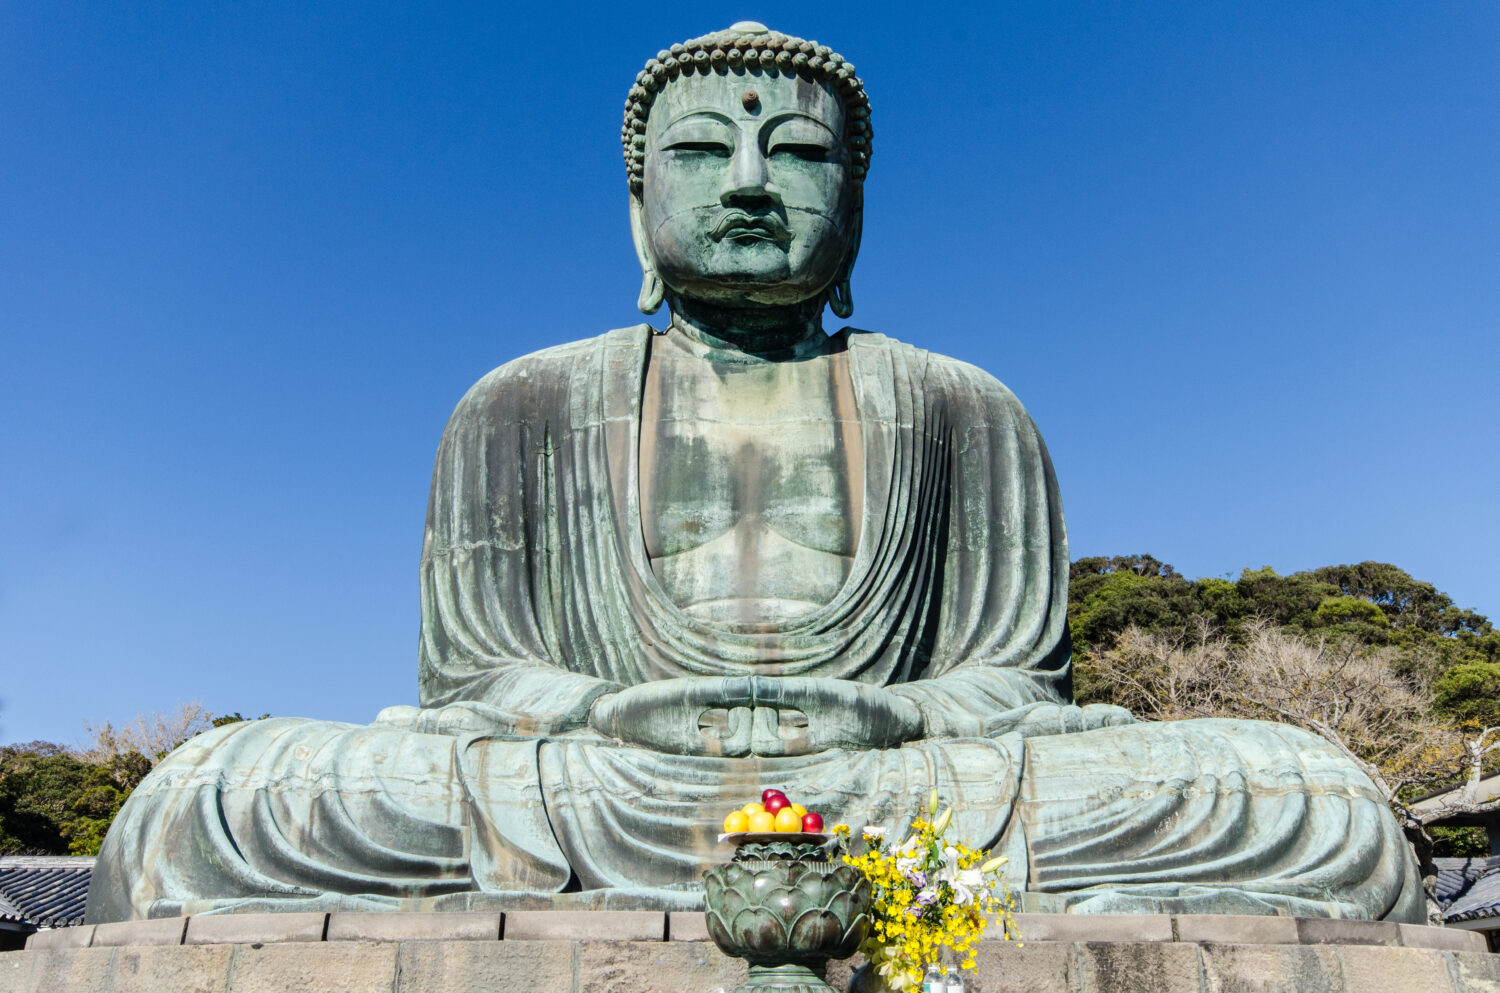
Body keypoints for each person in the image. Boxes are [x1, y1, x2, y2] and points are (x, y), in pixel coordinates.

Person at [86, 23, 1422, 923]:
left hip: (908, 789)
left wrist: (889, 722)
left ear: (856, 200)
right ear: (636, 198)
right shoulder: (520, 406)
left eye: (794, 155)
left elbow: (1016, 679)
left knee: (1311, 798)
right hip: (591, 783)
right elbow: (479, 681)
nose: (745, 183)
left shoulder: (967, 409)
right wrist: (612, 719)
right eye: (698, 154)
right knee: (206, 801)